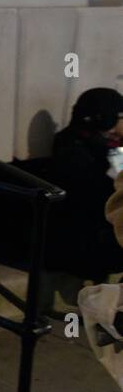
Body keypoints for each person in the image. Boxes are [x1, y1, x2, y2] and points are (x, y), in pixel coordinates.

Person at [47, 87, 123, 278]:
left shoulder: (110, 145)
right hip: (88, 236)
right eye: (113, 124)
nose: (115, 131)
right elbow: (89, 192)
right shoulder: (72, 145)